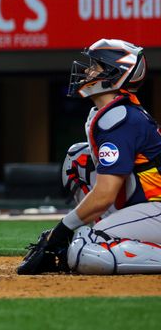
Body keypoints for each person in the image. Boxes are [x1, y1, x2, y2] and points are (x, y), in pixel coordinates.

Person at [18, 39, 161, 275]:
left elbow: (104, 195)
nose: (87, 71)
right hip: (143, 207)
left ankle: (103, 237)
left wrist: (61, 231)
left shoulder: (121, 118)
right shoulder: (112, 112)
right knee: (78, 158)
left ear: (114, 74)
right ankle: (106, 233)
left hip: (155, 209)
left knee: (86, 249)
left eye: (96, 66)